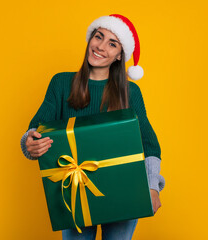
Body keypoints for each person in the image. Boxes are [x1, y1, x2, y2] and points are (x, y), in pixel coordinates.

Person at [20, 14, 165, 240]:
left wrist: (152, 188)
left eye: (112, 43)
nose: (101, 46)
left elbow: (149, 144)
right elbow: (37, 129)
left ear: (119, 56)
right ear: (90, 39)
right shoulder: (61, 83)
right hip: (74, 194)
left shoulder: (131, 92)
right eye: (99, 37)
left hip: (124, 193)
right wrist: (29, 142)